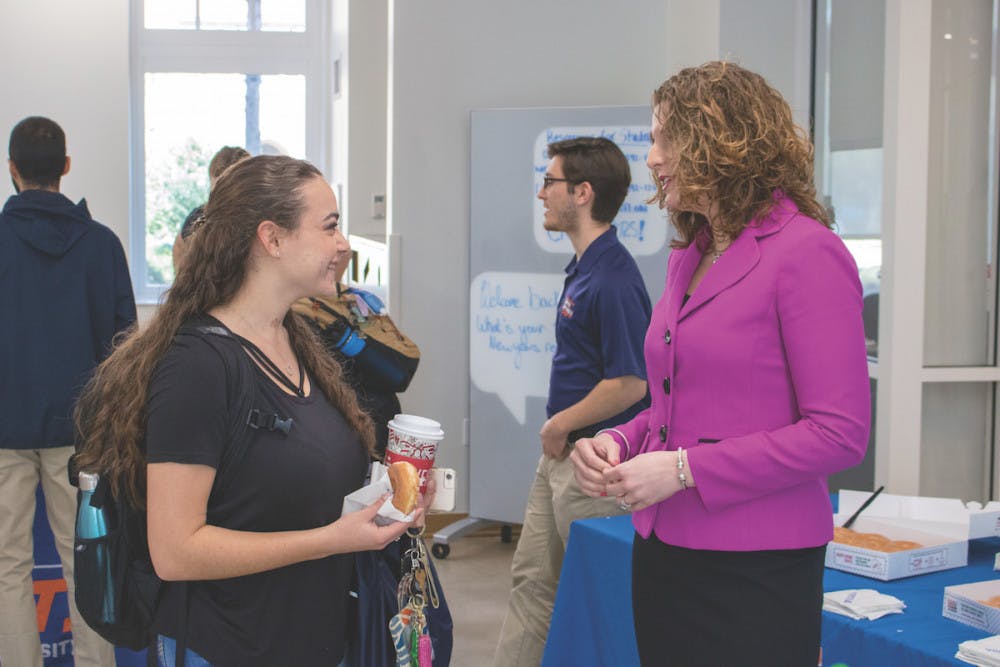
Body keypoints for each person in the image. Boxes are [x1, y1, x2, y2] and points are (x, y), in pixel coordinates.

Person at [570, 61, 870, 667]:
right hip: (665, 548)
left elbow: (839, 434)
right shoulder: (693, 252)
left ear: (718, 139)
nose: (651, 158)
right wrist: (618, 441)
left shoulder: (808, 252)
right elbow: (680, 398)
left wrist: (683, 470)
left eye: (662, 137)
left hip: (757, 566)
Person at [73, 155, 426, 667]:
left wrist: (390, 498)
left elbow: (301, 481)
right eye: (329, 227)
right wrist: (330, 541)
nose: (343, 245)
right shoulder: (198, 367)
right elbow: (175, 551)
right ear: (272, 238)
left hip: (313, 635)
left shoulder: (296, 342)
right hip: (228, 644)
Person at [494, 137, 651, 667]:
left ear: (582, 193)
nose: (542, 194)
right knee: (532, 581)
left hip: (593, 466)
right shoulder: (586, 267)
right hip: (561, 455)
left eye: (551, 182)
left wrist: (560, 423)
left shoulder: (613, 279)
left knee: (600, 600)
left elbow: (632, 382)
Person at [0, 116, 134, 667]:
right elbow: (125, 350)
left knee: (8, 566)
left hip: (3, 430)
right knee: (86, 563)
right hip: (82, 437)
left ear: (12, 172)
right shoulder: (102, 245)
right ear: (67, 167)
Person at [171, 145, 250, 272]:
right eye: (220, 188)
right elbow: (182, 278)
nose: (227, 197)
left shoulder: (262, 222)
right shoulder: (196, 221)